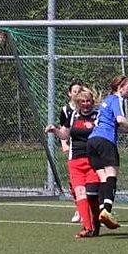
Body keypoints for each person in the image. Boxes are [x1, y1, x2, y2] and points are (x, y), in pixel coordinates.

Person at [45, 87, 101, 238]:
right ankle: (87, 227)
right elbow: (64, 135)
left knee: (92, 195)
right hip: (75, 161)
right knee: (80, 193)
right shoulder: (73, 115)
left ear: (92, 102)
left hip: (93, 161)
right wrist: (54, 130)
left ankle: (96, 222)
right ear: (77, 102)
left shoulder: (98, 115)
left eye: (88, 101)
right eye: (82, 101)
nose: (85, 104)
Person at [86, 74, 128, 230]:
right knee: (111, 176)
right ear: (120, 87)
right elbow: (120, 120)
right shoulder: (116, 99)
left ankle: (102, 210)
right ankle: (107, 211)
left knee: (103, 178)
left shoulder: (106, 100)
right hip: (105, 141)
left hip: (92, 142)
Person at [57, 80, 85, 223]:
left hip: (86, 149)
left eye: (80, 91)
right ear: (69, 93)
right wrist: (64, 144)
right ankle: (79, 208)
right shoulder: (66, 110)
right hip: (73, 150)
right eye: (75, 91)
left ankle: (91, 209)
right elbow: (63, 129)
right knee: (74, 182)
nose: (77, 94)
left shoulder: (86, 108)